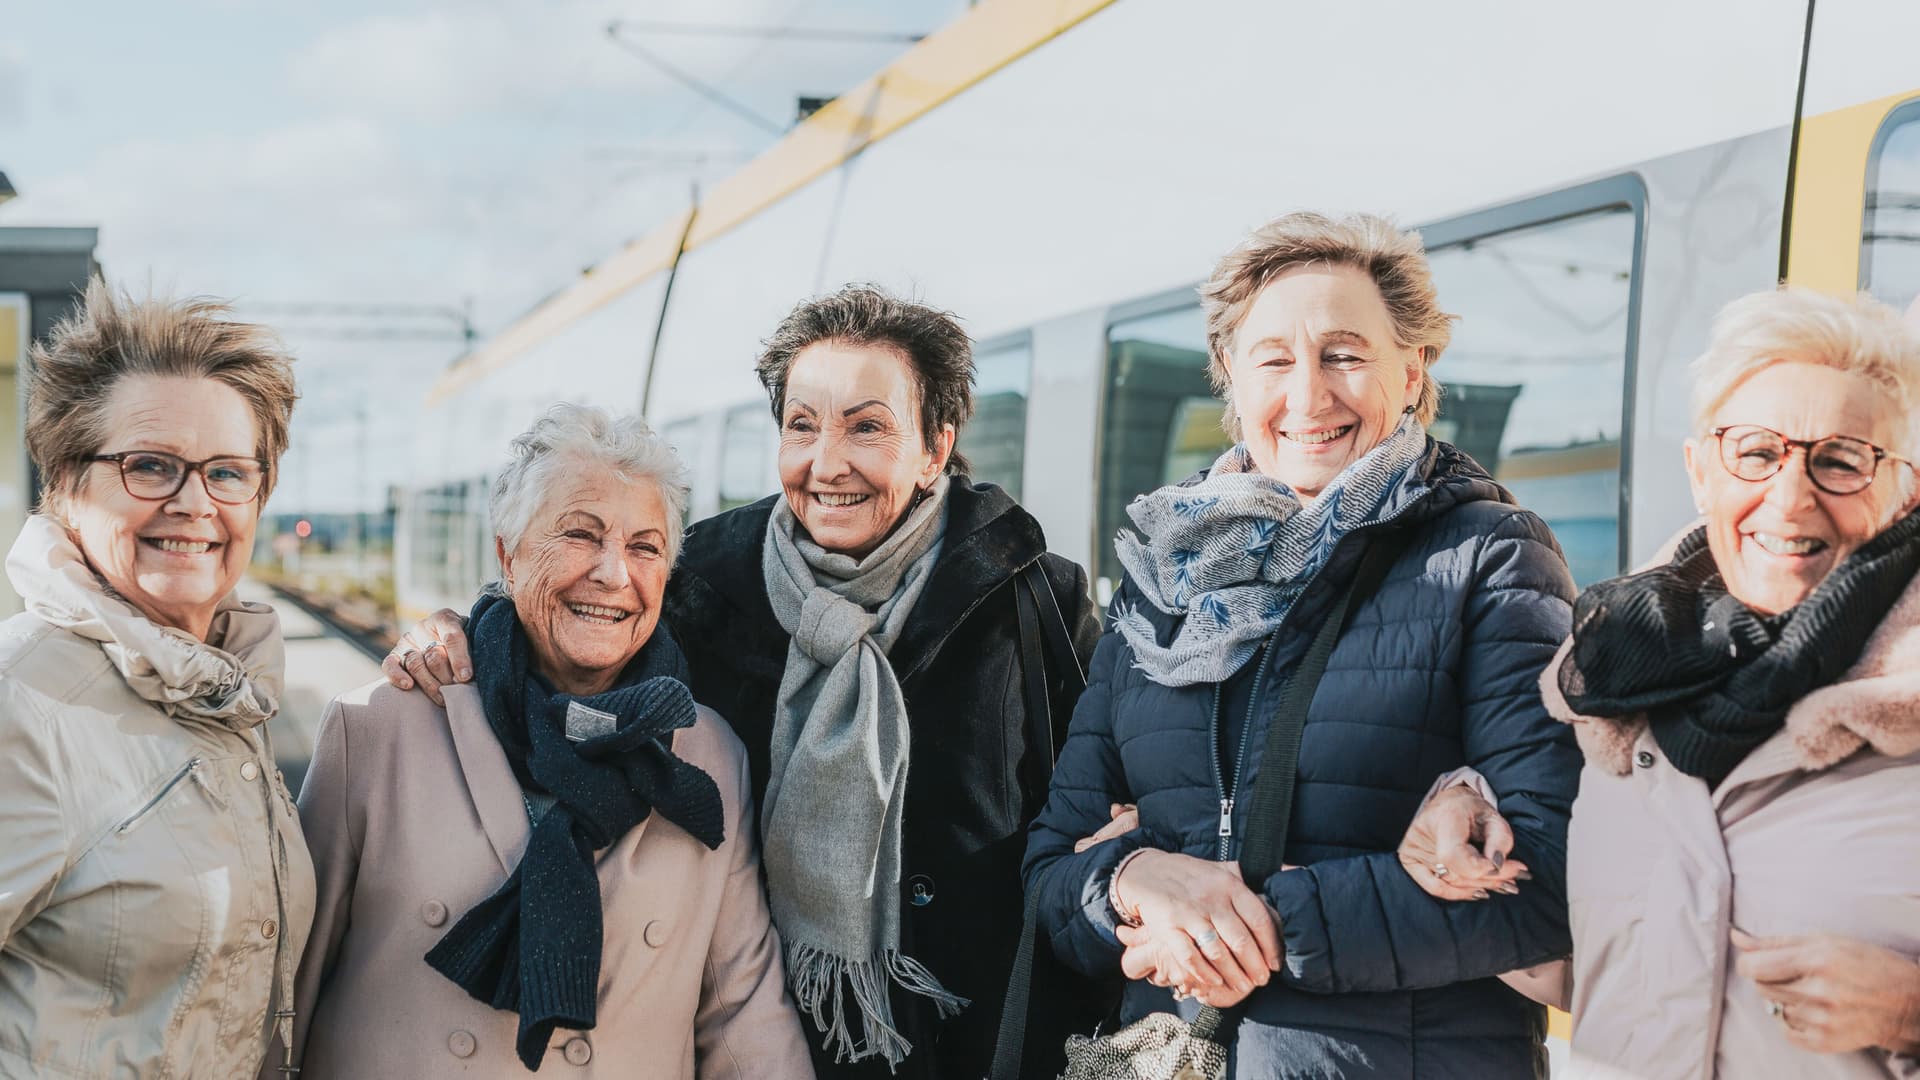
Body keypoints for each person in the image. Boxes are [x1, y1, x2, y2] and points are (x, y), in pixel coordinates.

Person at [384, 286, 1105, 1078]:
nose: (827, 463)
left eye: (867, 426)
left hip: (976, 1049)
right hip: (747, 1039)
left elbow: (1091, 815)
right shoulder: (706, 583)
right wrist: (472, 626)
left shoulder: (1032, 597)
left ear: (936, 447)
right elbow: (578, 624)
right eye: (802, 425)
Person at [1023, 212, 1582, 1077]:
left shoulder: (1490, 559)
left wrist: (1255, 925)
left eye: (1345, 355)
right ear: (1232, 375)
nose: (1310, 396)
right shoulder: (1164, 581)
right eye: (1274, 359)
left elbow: (1547, 883)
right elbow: (1052, 870)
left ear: (1411, 370)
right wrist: (1132, 884)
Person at [1400, 287, 1920, 1077]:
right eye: (1756, 453)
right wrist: (1459, 829)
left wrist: (1911, 1010)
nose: (1790, 496)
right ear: (1700, 472)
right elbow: (1600, 970)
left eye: (1842, 460)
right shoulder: (1615, 690)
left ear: (1906, 487)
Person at [279, 404, 810, 1077]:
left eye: (645, 547)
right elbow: (284, 988)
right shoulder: (379, 729)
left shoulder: (707, 756)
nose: (614, 574)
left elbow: (744, 1013)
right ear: (509, 554)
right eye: (581, 535)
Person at [0, 282, 311, 1077]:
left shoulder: (227, 694)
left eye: (227, 473)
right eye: (150, 466)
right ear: (66, 482)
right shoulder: (22, 702)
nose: (194, 502)